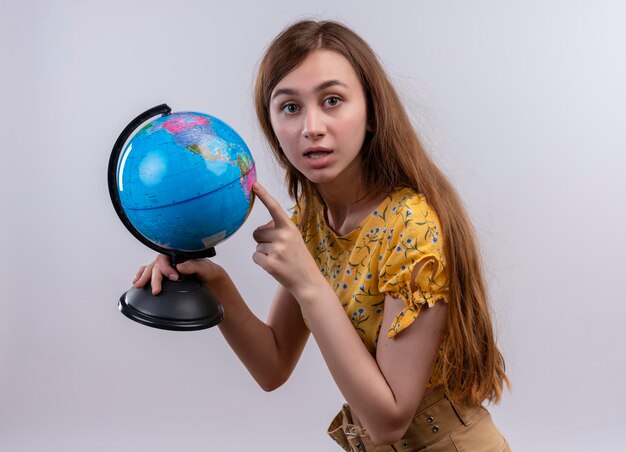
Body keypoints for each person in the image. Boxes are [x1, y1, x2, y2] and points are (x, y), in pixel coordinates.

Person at [133, 20, 511, 451]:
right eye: (290, 107)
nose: (311, 126)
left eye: (332, 101)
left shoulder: (412, 227)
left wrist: (309, 283)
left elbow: (389, 421)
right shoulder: (313, 219)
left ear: (370, 113)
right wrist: (212, 280)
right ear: (271, 123)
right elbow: (272, 366)